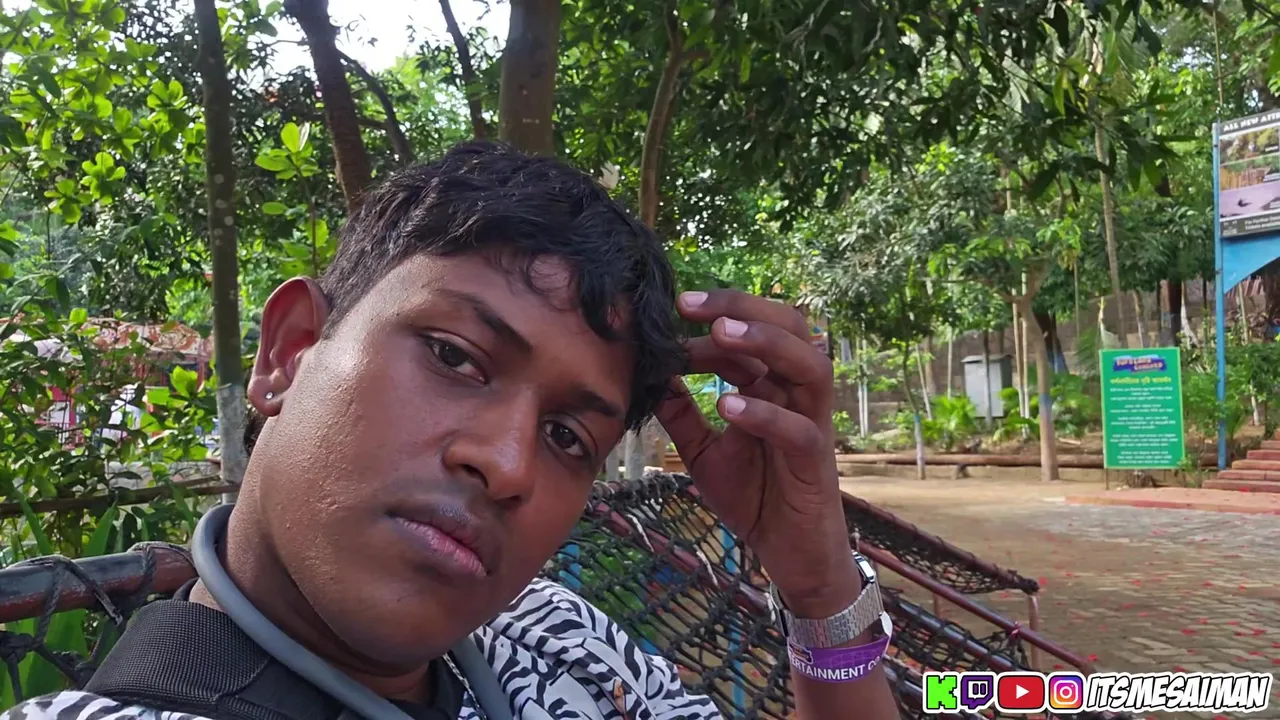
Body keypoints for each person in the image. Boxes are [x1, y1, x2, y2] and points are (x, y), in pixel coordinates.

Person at [3, 142, 899, 720]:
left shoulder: (559, 640)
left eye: (567, 438)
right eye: (455, 357)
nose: (506, 464)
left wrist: (817, 583)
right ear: (289, 351)